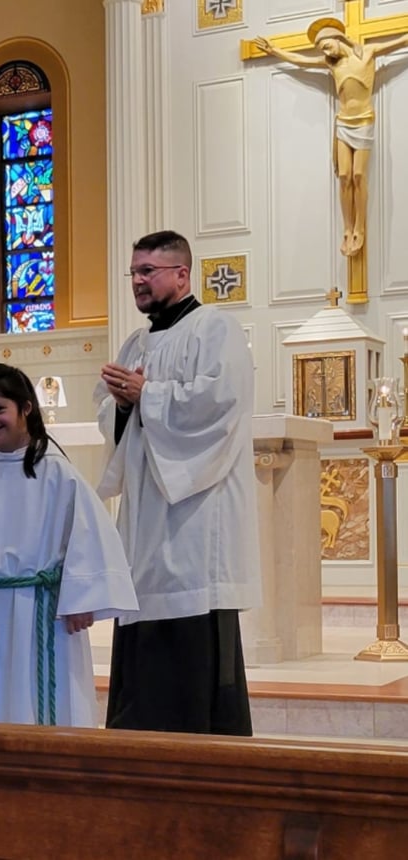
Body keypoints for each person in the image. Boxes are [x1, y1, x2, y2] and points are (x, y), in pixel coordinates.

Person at [95, 230, 260, 736]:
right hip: (148, 514)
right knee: (143, 626)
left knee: (192, 631)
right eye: (134, 272)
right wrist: (122, 406)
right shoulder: (136, 341)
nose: (138, 281)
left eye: (149, 271)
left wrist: (149, 394)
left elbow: (220, 404)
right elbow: (109, 414)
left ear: (182, 274)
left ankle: (201, 740)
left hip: (195, 512)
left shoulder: (216, 329)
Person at [0, 363, 138, 728]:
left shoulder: (57, 471)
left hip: (45, 612)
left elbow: (90, 536)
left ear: (26, 408)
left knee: (45, 701)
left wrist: (82, 599)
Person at [254, 19, 408, 257]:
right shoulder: (331, 63)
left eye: (327, 46)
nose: (325, 52)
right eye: (322, 50)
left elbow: (398, 42)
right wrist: (275, 51)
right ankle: (347, 227)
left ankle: (360, 227)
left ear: (338, 38)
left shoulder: (367, 53)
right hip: (343, 123)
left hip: (364, 119)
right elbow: (302, 61)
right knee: (344, 176)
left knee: (358, 175)